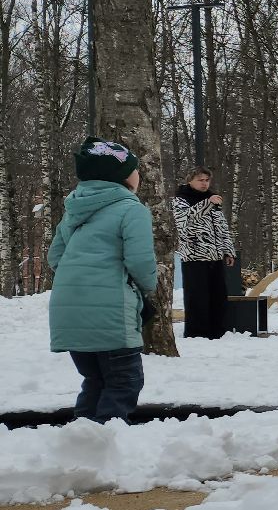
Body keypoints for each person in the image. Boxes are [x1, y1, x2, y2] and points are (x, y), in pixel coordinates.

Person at [48, 138, 156, 423]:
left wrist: (80, 280)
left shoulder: (74, 209)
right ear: (121, 176)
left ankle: (83, 434)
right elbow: (140, 262)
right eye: (135, 169)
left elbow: (55, 257)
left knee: (95, 380)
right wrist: (147, 286)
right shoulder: (132, 210)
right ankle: (107, 437)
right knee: (124, 381)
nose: (139, 174)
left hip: (69, 312)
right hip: (111, 313)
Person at [171, 166, 236, 339]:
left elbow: (222, 227)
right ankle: (196, 333)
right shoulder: (181, 199)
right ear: (190, 181)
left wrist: (228, 250)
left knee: (218, 296)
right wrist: (207, 204)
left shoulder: (213, 200)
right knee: (197, 297)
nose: (204, 183)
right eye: (200, 180)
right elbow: (184, 221)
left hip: (215, 256)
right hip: (194, 256)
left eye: (207, 180)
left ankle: (218, 331)